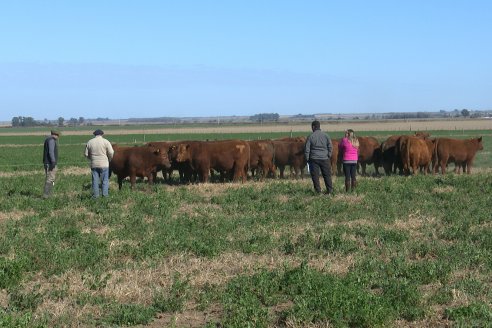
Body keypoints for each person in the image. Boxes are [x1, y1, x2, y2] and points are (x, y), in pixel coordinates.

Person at [304, 120, 333, 195]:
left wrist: (307, 158)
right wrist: (328, 155)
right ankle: (329, 190)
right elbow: (330, 147)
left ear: (313, 127)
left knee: (315, 176)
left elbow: (307, 149)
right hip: (325, 158)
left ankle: (318, 191)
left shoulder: (310, 136)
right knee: (327, 175)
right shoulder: (326, 135)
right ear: (319, 126)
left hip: (314, 159)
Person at [84, 129, 114, 198]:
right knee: (105, 180)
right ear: (102, 134)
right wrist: (109, 158)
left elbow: (86, 154)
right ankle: (105, 195)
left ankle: (95, 196)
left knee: (95, 181)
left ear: (94, 134)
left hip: (94, 164)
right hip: (104, 164)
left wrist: (91, 158)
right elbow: (111, 152)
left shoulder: (90, 142)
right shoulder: (106, 141)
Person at [42, 129, 61, 198]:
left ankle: (49, 192)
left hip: (47, 163)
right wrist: (53, 162)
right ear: (55, 135)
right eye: (58, 135)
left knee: (52, 179)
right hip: (50, 163)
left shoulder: (47, 139)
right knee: (50, 179)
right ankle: (46, 195)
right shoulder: (51, 141)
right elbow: (51, 152)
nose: (58, 137)